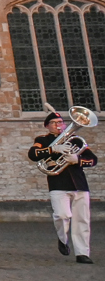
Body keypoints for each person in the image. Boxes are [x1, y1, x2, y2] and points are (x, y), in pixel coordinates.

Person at [30, 111, 96, 265]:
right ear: (47, 126)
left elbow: (93, 159)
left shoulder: (75, 141)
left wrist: (77, 159)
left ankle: (82, 253)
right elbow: (33, 154)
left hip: (79, 184)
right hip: (58, 183)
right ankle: (62, 238)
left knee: (82, 220)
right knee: (61, 215)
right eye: (53, 123)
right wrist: (53, 149)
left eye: (60, 122)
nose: (58, 125)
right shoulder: (43, 140)